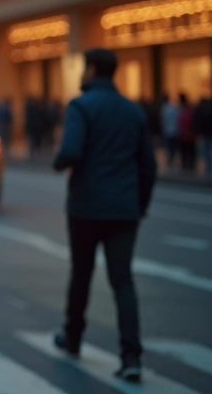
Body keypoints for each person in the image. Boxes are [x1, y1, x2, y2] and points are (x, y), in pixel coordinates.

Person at [52, 49, 156, 383]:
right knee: (123, 281)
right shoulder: (132, 112)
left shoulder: (81, 107)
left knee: (81, 274)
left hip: (86, 206)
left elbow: (71, 150)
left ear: (92, 70)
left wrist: (59, 163)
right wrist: (139, 205)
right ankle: (131, 357)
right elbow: (148, 167)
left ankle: (72, 337)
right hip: (124, 208)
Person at [177, 94, 196, 171]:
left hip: (185, 135)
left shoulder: (183, 112)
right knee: (189, 152)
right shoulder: (190, 112)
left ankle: (186, 165)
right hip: (189, 135)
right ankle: (189, 165)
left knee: (186, 152)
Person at [159, 94, 180, 168]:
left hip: (168, 130)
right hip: (173, 130)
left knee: (169, 147)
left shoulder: (165, 108)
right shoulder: (173, 108)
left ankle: (170, 160)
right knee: (171, 147)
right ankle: (170, 159)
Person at [195, 96, 212, 177]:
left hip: (206, 133)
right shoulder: (205, 110)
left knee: (206, 151)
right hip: (206, 133)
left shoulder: (203, 110)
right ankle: (208, 167)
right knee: (207, 151)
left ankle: (208, 167)